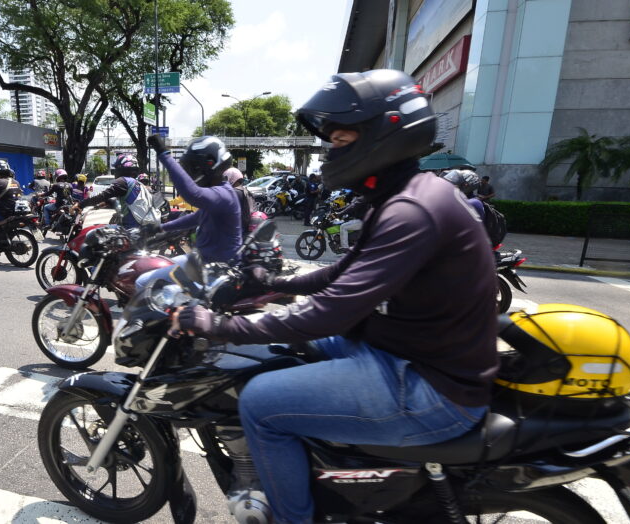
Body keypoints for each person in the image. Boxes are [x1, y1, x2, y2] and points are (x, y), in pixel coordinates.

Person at [169, 69, 498, 524]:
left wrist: (221, 325)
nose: (330, 151)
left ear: (385, 133)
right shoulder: (406, 195)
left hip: (429, 386)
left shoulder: (411, 210)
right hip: (402, 351)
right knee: (276, 353)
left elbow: (328, 313)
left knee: (260, 403)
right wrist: (274, 284)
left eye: (341, 140)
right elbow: (343, 273)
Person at [135, 136, 243, 290]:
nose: (191, 173)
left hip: (219, 272)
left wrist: (164, 154)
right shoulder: (217, 194)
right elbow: (196, 218)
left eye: (194, 168)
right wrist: (160, 228)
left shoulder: (223, 194)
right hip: (201, 262)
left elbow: (193, 194)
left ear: (209, 166)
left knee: (162, 293)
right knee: (143, 280)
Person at [70, 155, 147, 228]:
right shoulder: (139, 184)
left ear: (122, 169)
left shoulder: (123, 181)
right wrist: (107, 203)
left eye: (116, 168)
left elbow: (101, 195)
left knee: (93, 234)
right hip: (142, 229)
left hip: (130, 229)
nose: (115, 171)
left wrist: (80, 204)